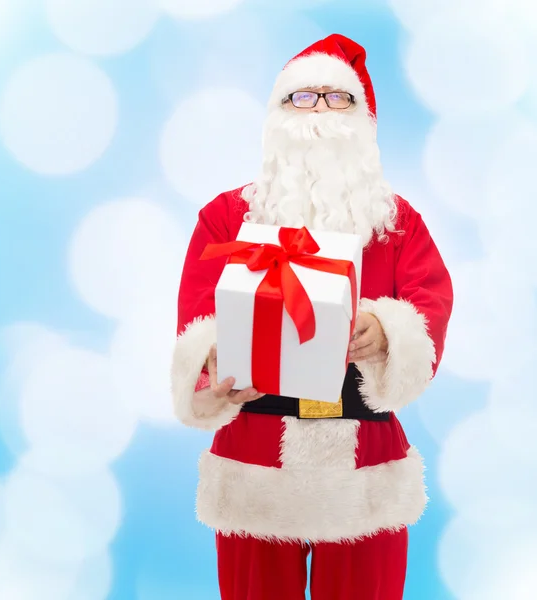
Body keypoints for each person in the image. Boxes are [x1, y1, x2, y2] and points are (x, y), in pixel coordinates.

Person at [170, 34, 453, 600]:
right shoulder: (226, 216)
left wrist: (390, 333)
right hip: (254, 452)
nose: (320, 111)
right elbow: (195, 319)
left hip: (361, 460)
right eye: (304, 97)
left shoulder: (398, 225)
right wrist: (212, 364)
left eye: (337, 97)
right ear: (278, 114)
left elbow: (430, 303)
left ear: (363, 118)